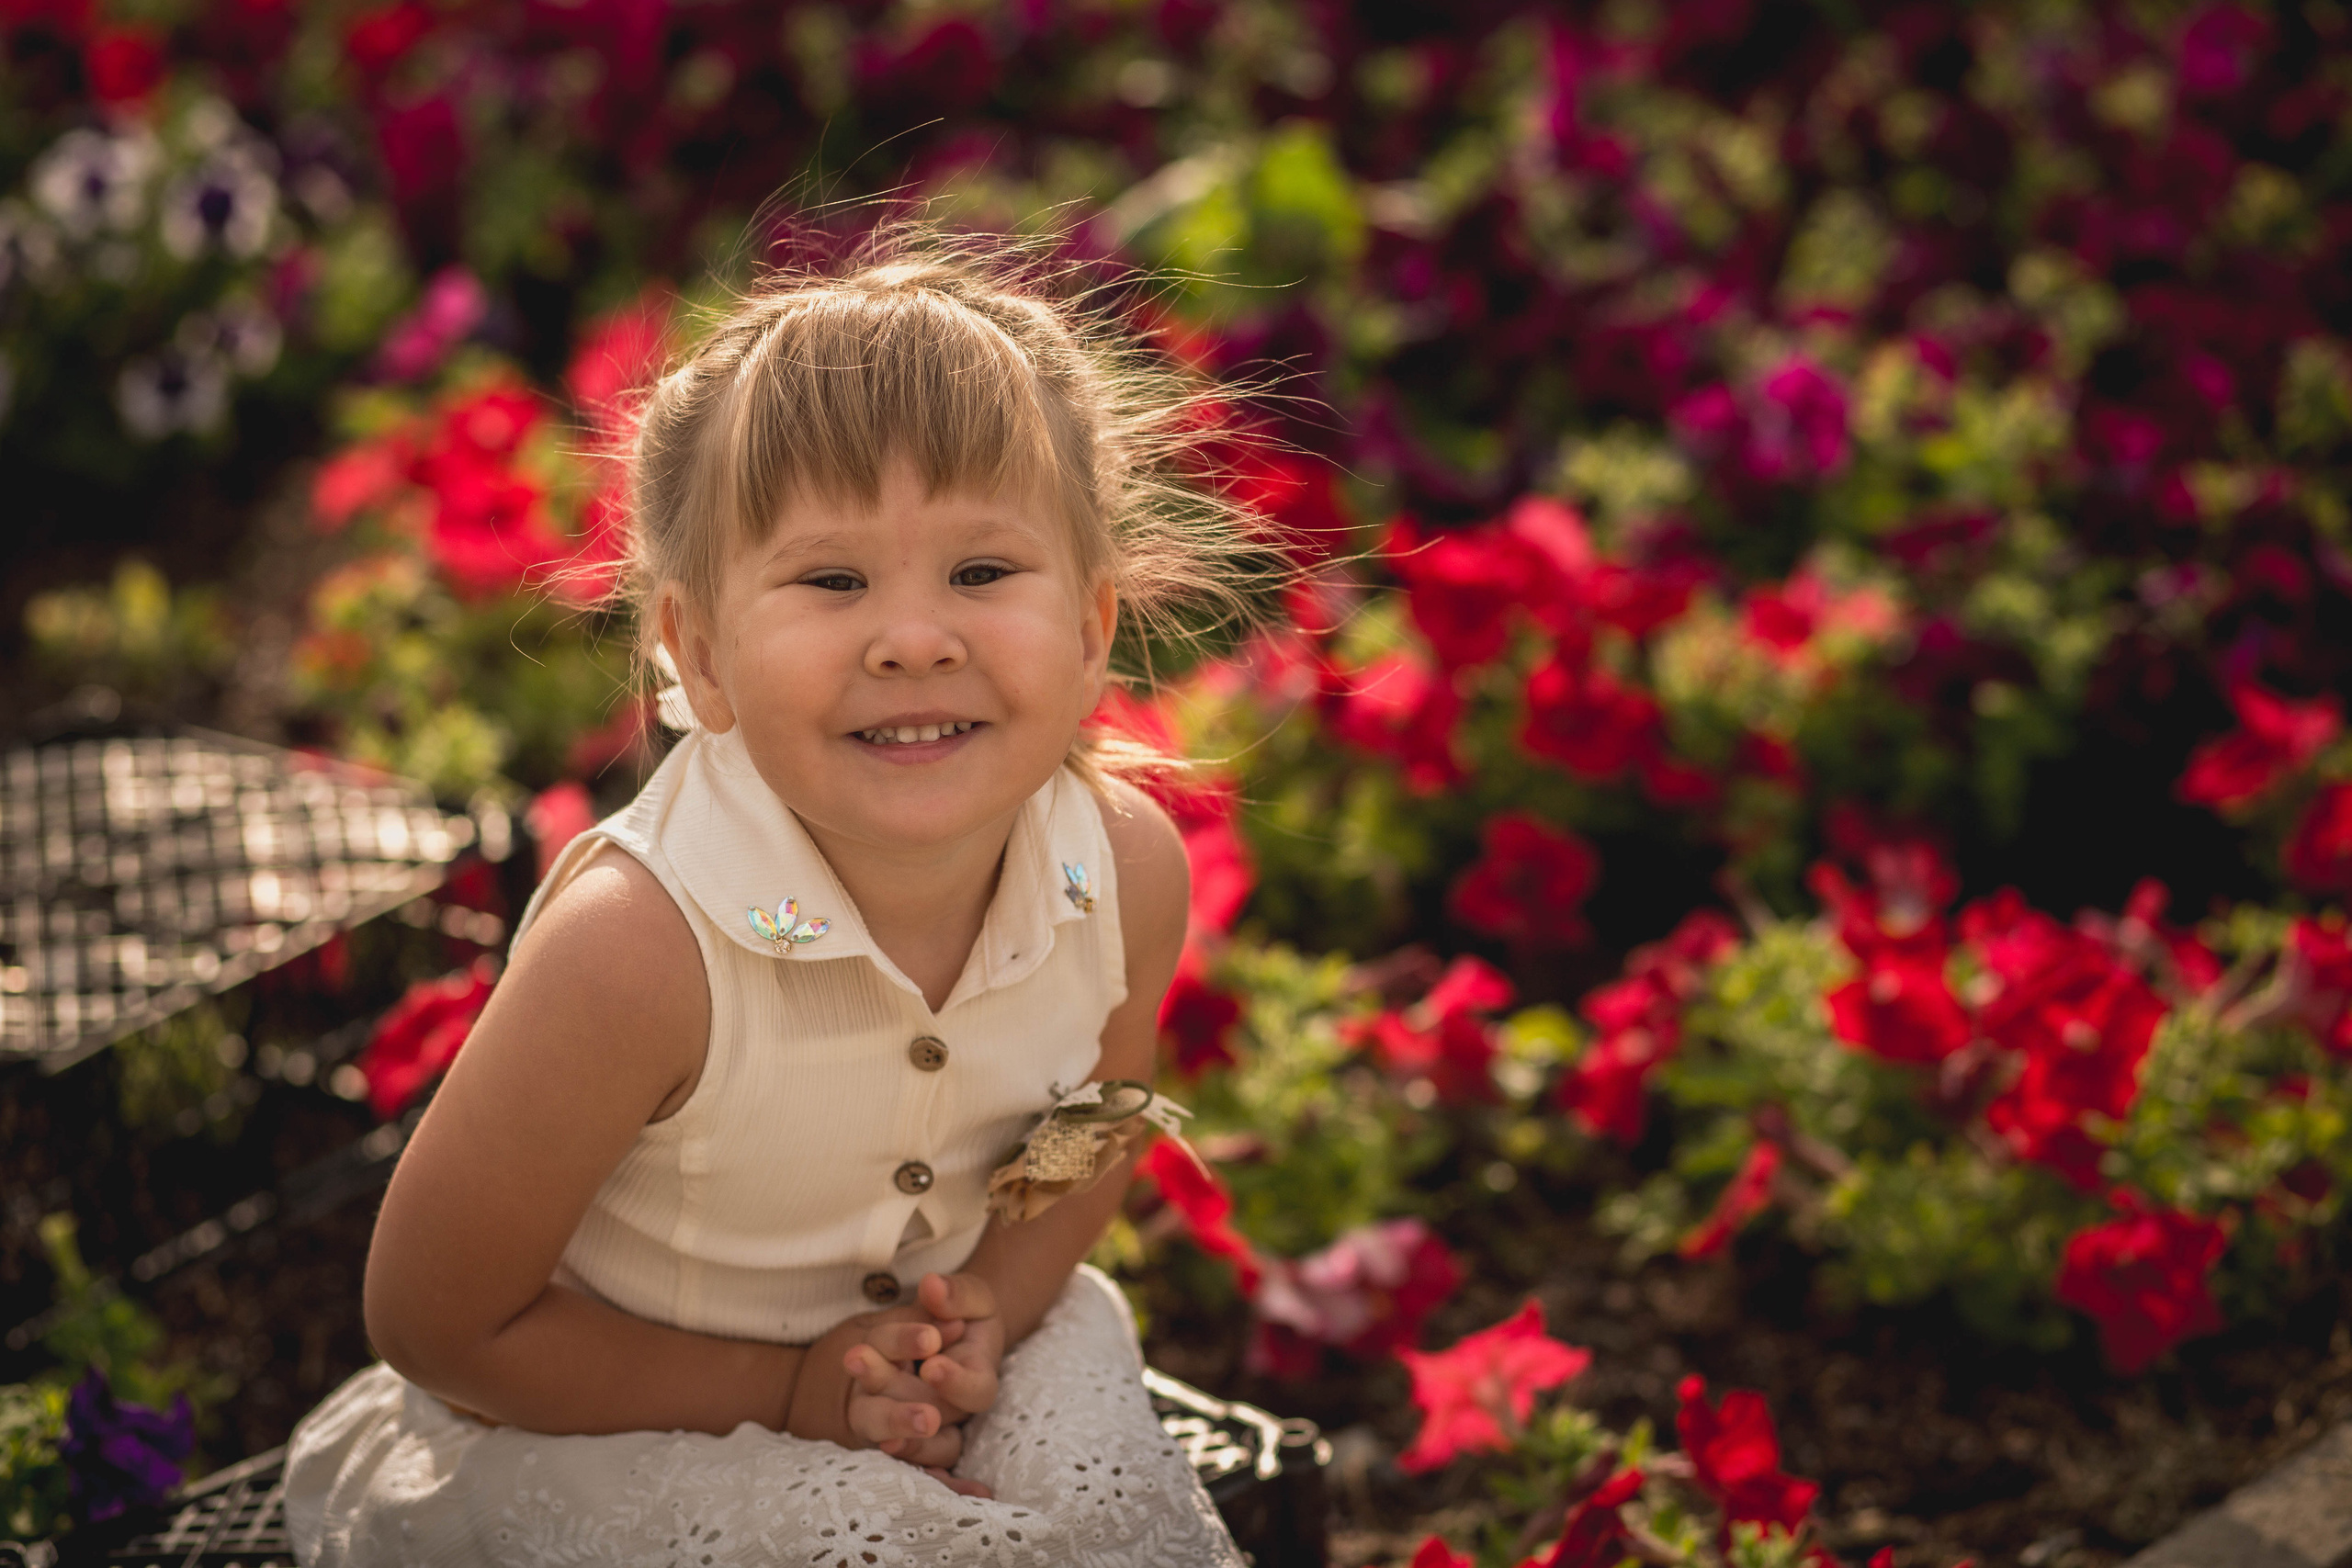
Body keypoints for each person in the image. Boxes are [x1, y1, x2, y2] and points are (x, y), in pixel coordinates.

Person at [282, 236, 1276, 1566]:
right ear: (701, 653)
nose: (915, 636)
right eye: (832, 579)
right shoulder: (640, 953)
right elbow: (440, 1324)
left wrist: (981, 1308)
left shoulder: (1122, 872)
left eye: (983, 573)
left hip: (944, 1355)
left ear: (1095, 626)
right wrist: (787, 1396)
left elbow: (1085, 1147)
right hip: (608, 1427)